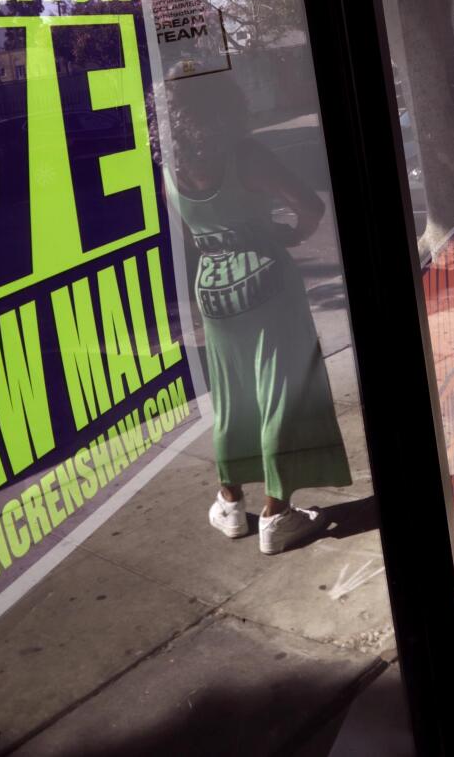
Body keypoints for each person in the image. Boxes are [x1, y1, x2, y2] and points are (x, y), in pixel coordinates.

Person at [162, 70, 352, 555]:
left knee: (231, 394)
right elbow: (308, 206)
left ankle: (229, 503)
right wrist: (286, 235)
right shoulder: (245, 156)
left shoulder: (167, 167)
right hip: (267, 282)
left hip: (213, 286)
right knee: (279, 390)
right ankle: (276, 513)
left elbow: (188, 235)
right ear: (226, 104)